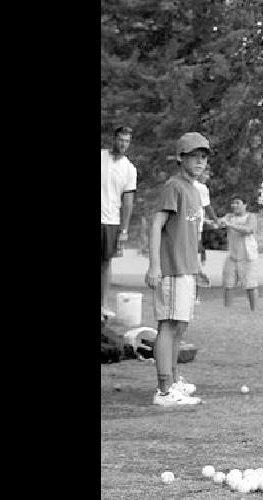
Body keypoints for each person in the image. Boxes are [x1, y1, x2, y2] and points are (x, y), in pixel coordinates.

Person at [145, 132, 210, 406]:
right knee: (168, 325)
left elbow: (190, 234)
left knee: (180, 326)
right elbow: (156, 225)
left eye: (204, 157)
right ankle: (164, 388)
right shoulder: (174, 186)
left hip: (187, 268)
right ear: (180, 158)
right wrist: (155, 266)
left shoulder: (194, 190)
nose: (200, 162)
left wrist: (197, 266)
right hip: (171, 269)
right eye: (194, 156)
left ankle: (173, 379)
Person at [101, 126, 137, 319]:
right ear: (114, 139)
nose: (123, 144)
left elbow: (128, 202)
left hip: (111, 222)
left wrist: (124, 229)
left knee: (105, 264)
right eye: (121, 140)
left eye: (127, 141)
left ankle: (103, 305)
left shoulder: (129, 169)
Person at [217, 197, 259, 311]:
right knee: (228, 284)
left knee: (250, 285)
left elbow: (248, 229)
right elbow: (218, 223)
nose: (234, 205)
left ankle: (253, 310)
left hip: (248, 256)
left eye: (237, 203)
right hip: (232, 256)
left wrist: (229, 225)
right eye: (232, 203)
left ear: (245, 205)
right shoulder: (229, 216)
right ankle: (227, 311)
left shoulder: (251, 216)